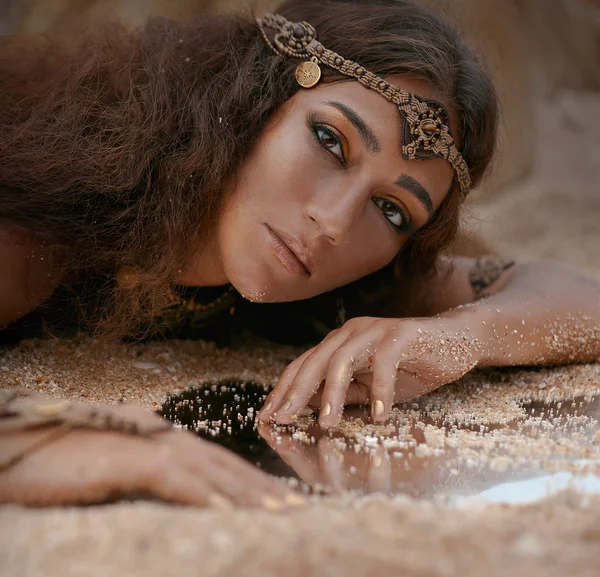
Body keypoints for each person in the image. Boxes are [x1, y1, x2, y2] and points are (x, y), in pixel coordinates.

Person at [0, 0, 598, 509]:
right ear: (252, 99)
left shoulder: (354, 283)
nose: (335, 222)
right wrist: (49, 439)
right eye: (330, 141)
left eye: (393, 211)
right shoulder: (45, 214)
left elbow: (583, 302)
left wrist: (462, 337)